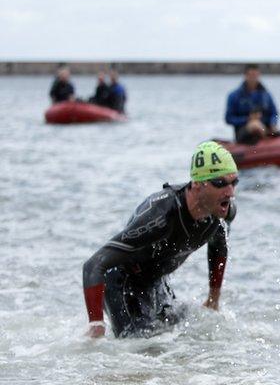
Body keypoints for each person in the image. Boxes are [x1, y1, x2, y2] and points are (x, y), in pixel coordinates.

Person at [81, 141, 239, 339]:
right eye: (220, 183)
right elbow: (93, 265)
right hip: (121, 282)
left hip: (155, 281)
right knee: (139, 347)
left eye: (234, 182)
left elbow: (218, 247)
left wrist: (213, 299)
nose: (230, 192)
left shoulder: (222, 212)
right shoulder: (161, 216)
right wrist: (96, 325)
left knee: (185, 332)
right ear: (198, 184)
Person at [225, 64, 280, 144]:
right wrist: (248, 119)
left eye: (255, 75)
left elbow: (275, 113)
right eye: (251, 75)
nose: (253, 78)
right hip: (244, 131)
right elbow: (228, 119)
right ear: (245, 76)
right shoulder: (234, 96)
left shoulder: (266, 95)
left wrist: (273, 123)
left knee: (275, 131)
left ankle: (269, 137)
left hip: (265, 128)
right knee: (255, 125)